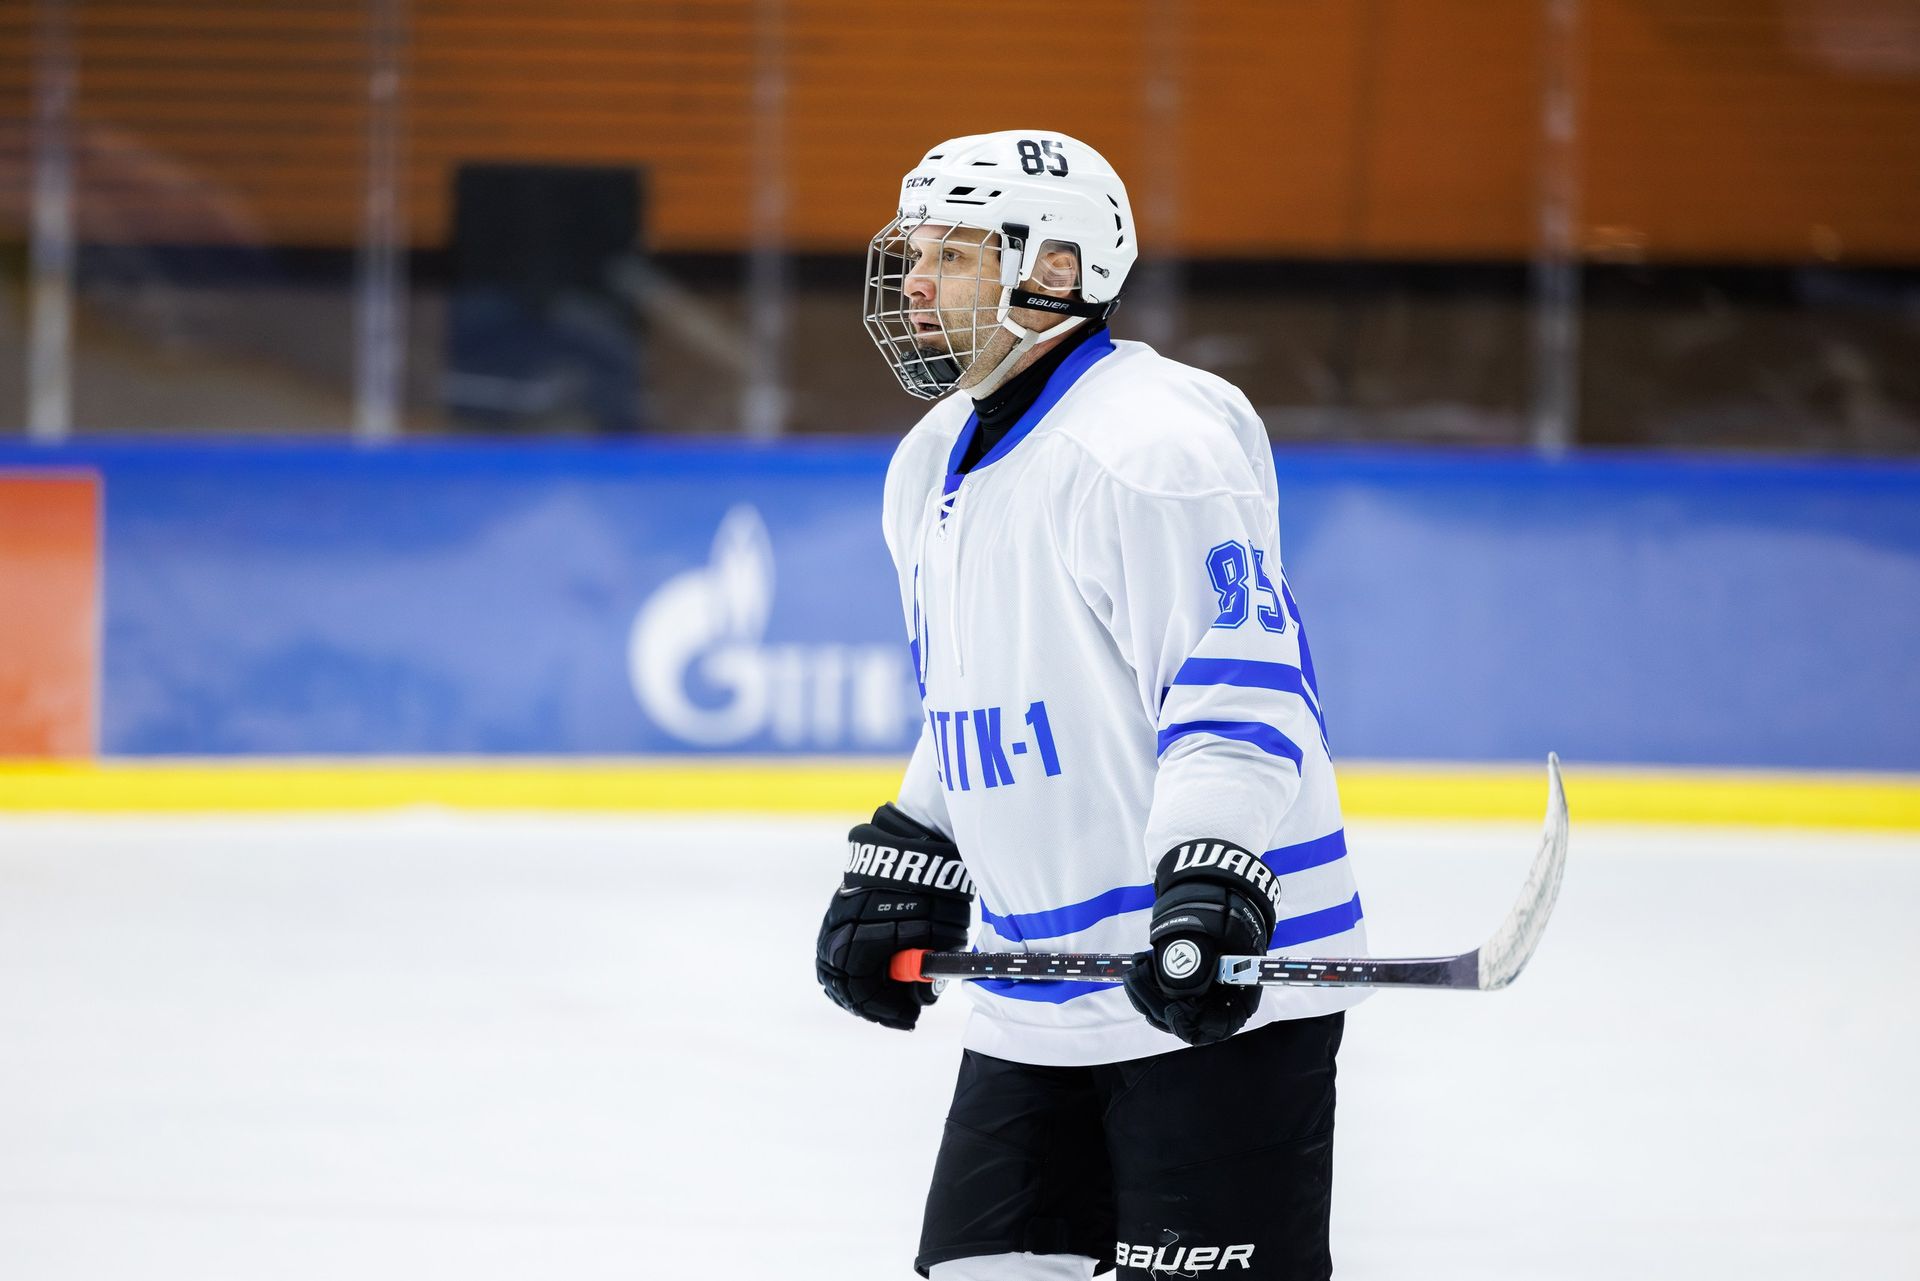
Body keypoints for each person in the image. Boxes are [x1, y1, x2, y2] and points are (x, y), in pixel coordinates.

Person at [816, 131, 1370, 1281]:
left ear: (1056, 270)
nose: (914, 282)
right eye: (914, 252)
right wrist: (915, 847)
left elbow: (1238, 683)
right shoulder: (929, 462)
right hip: (1038, 997)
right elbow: (977, 694)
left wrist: (1213, 875)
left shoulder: (1153, 449)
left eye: (954, 254)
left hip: (1212, 987)